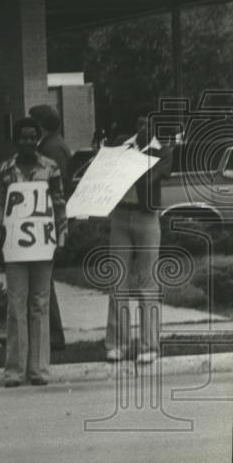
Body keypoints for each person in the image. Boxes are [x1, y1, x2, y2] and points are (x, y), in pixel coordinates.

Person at [0, 117, 67, 388]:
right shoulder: (4, 170)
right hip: (14, 245)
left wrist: (61, 235)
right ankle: (14, 370)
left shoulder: (51, 168)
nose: (26, 141)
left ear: (37, 138)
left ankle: (39, 369)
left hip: (42, 244)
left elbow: (58, 203)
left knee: (39, 305)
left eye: (31, 137)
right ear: (16, 140)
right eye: (21, 137)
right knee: (16, 305)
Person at [105, 104, 173, 364]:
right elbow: (108, 170)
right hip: (121, 215)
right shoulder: (122, 144)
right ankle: (117, 344)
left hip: (146, 217)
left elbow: (150, 176)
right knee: (117, 280)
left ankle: (149, 345)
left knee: (147, 282)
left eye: (149, 124)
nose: (144, 128)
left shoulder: (163, 150)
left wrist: (130, 163)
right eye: (140, 124)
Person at [29, 104, 70, 351]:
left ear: (41, 124)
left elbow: (54, 186)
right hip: (46, 218)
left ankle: (53, 333)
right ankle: (37, 330)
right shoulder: (56, 144)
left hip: (48, 219)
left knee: (44, 279)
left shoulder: (51, 148)